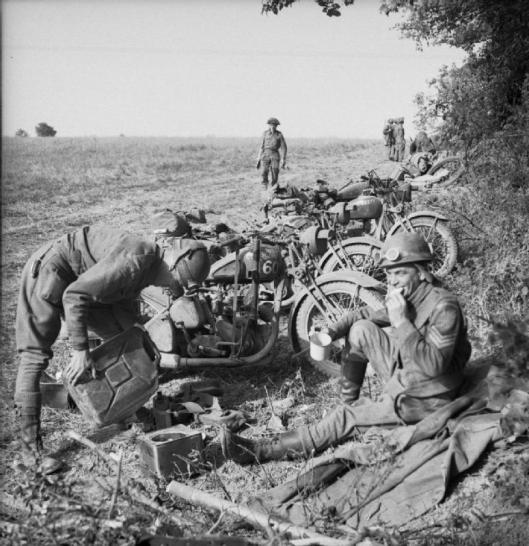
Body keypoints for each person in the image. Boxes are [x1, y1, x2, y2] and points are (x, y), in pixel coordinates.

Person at [221, 232, 472, 464]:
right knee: (361, 329)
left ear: (421, 271)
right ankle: (348, 402)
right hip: (409, 377)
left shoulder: (443, 306)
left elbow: (433, 366)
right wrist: (329, 333)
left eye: (401, 273)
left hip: (430, 398)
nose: (394, 282)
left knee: (346, 419)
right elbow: (365, 314)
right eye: (390, 274)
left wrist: (401, 321)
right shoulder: (412, 295)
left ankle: (260, 451)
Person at [14, 221, 210, 471]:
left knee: (129, 342)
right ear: (171, 263)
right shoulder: (136, 259)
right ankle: (31, 453)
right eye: (176, 280)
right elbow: (75, 296)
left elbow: (123, 316)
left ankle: (133, 413)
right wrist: (80, 350)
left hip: (81, 280)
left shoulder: (148, 267)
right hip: (50, 273)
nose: (172, 286)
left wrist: (140, 341)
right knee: (34, 356)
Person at [257, 117, 287, 193]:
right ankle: (265, 188)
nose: (273, 127)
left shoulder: (279, 134)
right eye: (271, 125)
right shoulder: (265, 133)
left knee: (275, 172)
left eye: (275, 125)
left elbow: (284, 147)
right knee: (264, 171)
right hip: (265, 154)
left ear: (276, 126)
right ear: (269, 125)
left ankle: (274, 188)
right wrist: (258, 158)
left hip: (275, 154)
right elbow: (261, 146)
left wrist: (283, 159)